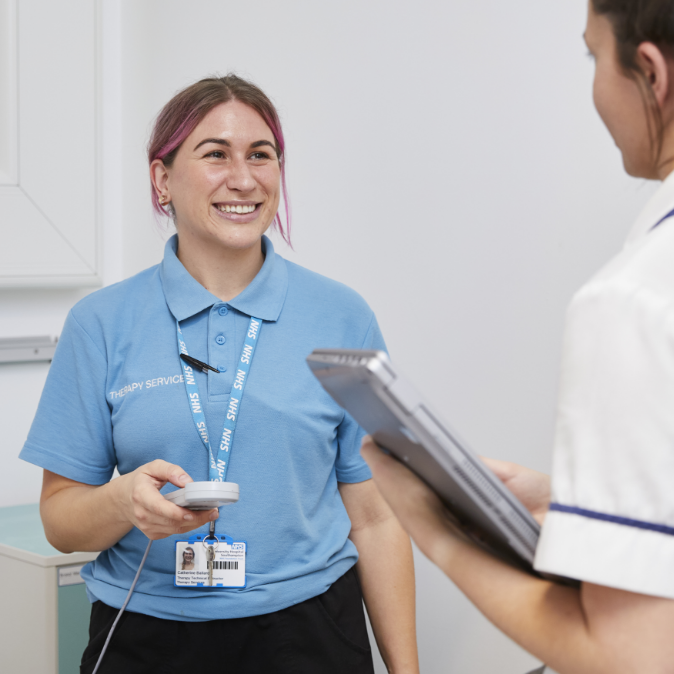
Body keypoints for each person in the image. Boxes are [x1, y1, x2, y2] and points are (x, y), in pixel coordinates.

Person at [20, 75, 419, 674]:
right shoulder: (100, 323)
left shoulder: (344, 316)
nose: (244, 177)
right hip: (145, 636)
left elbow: (377, 515)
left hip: (309, 632)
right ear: (162, 180)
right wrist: (124, 502)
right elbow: (59, 520)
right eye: (216, 154)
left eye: (262, 154)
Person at [362, 1, 674, 672]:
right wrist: (570, 500)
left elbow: (630, 658)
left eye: (593, 56)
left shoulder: (633, 299)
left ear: (652, 73)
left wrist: (434, 529)